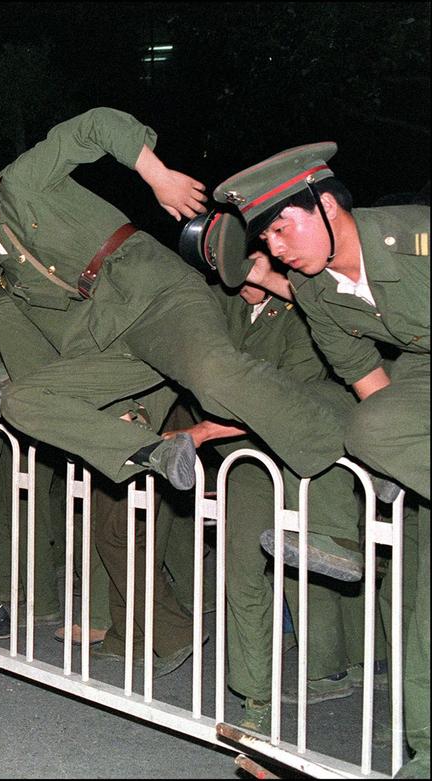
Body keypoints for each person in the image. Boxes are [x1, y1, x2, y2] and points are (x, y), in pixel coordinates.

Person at [0, 107, 346, 515]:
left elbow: (95, 125)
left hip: (155, 295)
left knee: (215, 379)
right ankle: (150, 451)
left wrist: (158, 178)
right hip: (115, 341)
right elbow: (58, 334)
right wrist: (112, 409)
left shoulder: (20, 187)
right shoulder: (8, 273)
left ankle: (347, 429)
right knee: (22, 400)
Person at [214, 144, 429, 776]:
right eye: (266, 236)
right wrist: (395, 456)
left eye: (283, 227)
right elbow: (370, 388)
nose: (277, 248)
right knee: (367, 426)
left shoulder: (416, 238)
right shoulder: (314, 290)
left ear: (328, 204)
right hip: (419, 375)